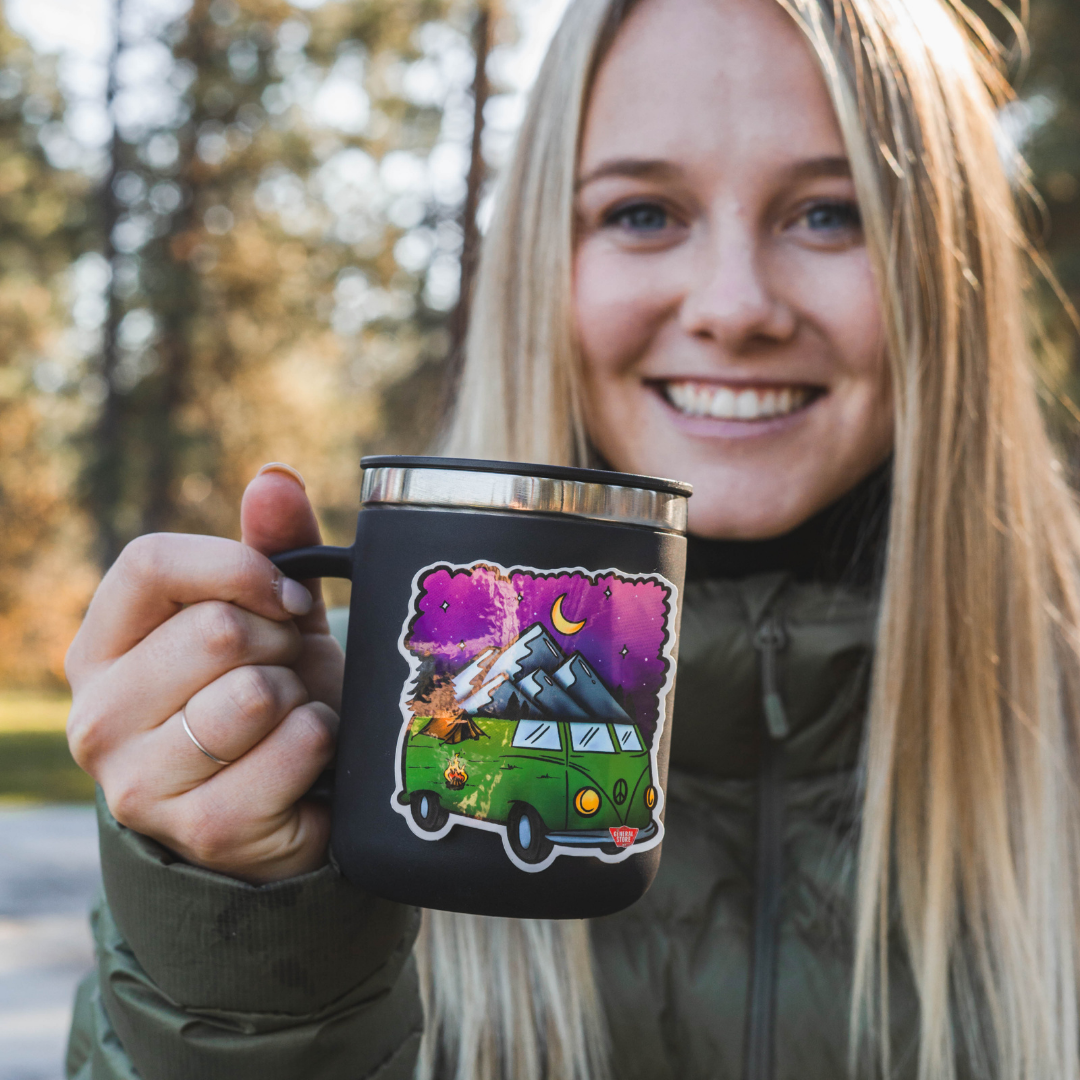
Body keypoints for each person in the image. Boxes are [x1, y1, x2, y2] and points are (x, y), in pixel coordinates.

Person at [61, 0, 1080, 1077]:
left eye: (830, 213)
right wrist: (240, 963)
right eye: (643, 212)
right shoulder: (358, 733)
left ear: (949, 273)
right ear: (545, 260)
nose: (735, 308)